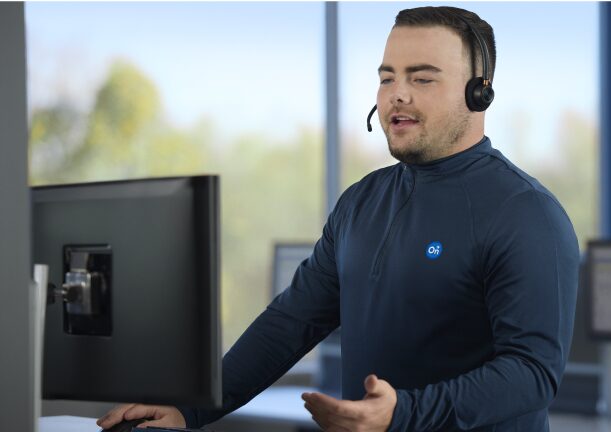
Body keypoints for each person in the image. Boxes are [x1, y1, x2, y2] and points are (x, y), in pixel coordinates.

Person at [98, 6, 579, 432]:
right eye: (388, 77)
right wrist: (194, 409)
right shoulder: (361, 202)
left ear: (479, 93)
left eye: (422, 78)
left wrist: (403, 414)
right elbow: (291, 322)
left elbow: (531, 373)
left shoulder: (525, 213)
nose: (398, 95)